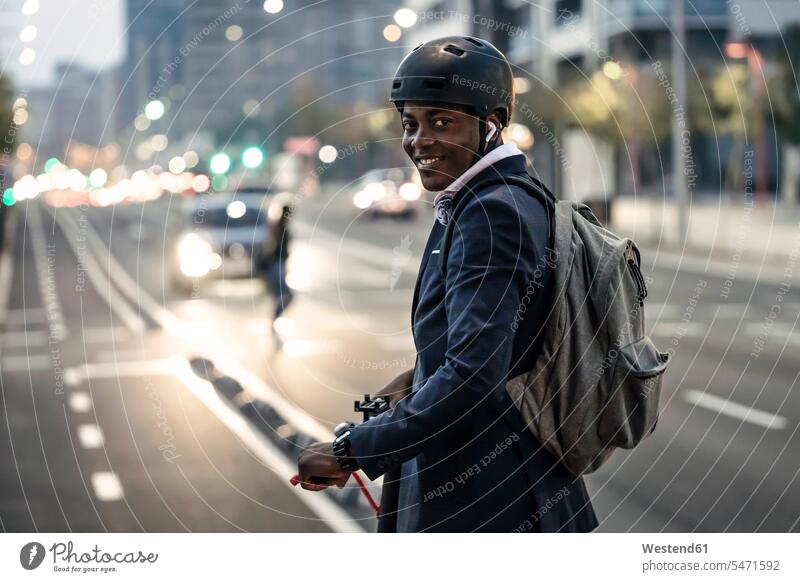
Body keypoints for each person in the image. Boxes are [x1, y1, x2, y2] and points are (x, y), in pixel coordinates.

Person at [297, 36, 598, 532]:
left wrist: (353, 449)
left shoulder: (493, 211)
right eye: (410, 124)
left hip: (492, 499)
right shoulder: (491, 197)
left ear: (492, 123)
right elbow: (491, 341)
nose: (420, 140)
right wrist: (415, 381)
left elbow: (474, 376)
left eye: (442, 121)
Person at [259, 192, 294, 348]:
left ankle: (273, 322)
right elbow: (272, 247)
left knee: (280, 297)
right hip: (276, 265)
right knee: (286, 295)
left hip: (279, 265)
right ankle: (273, 322)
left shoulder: (281, 227)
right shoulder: (278, 228)